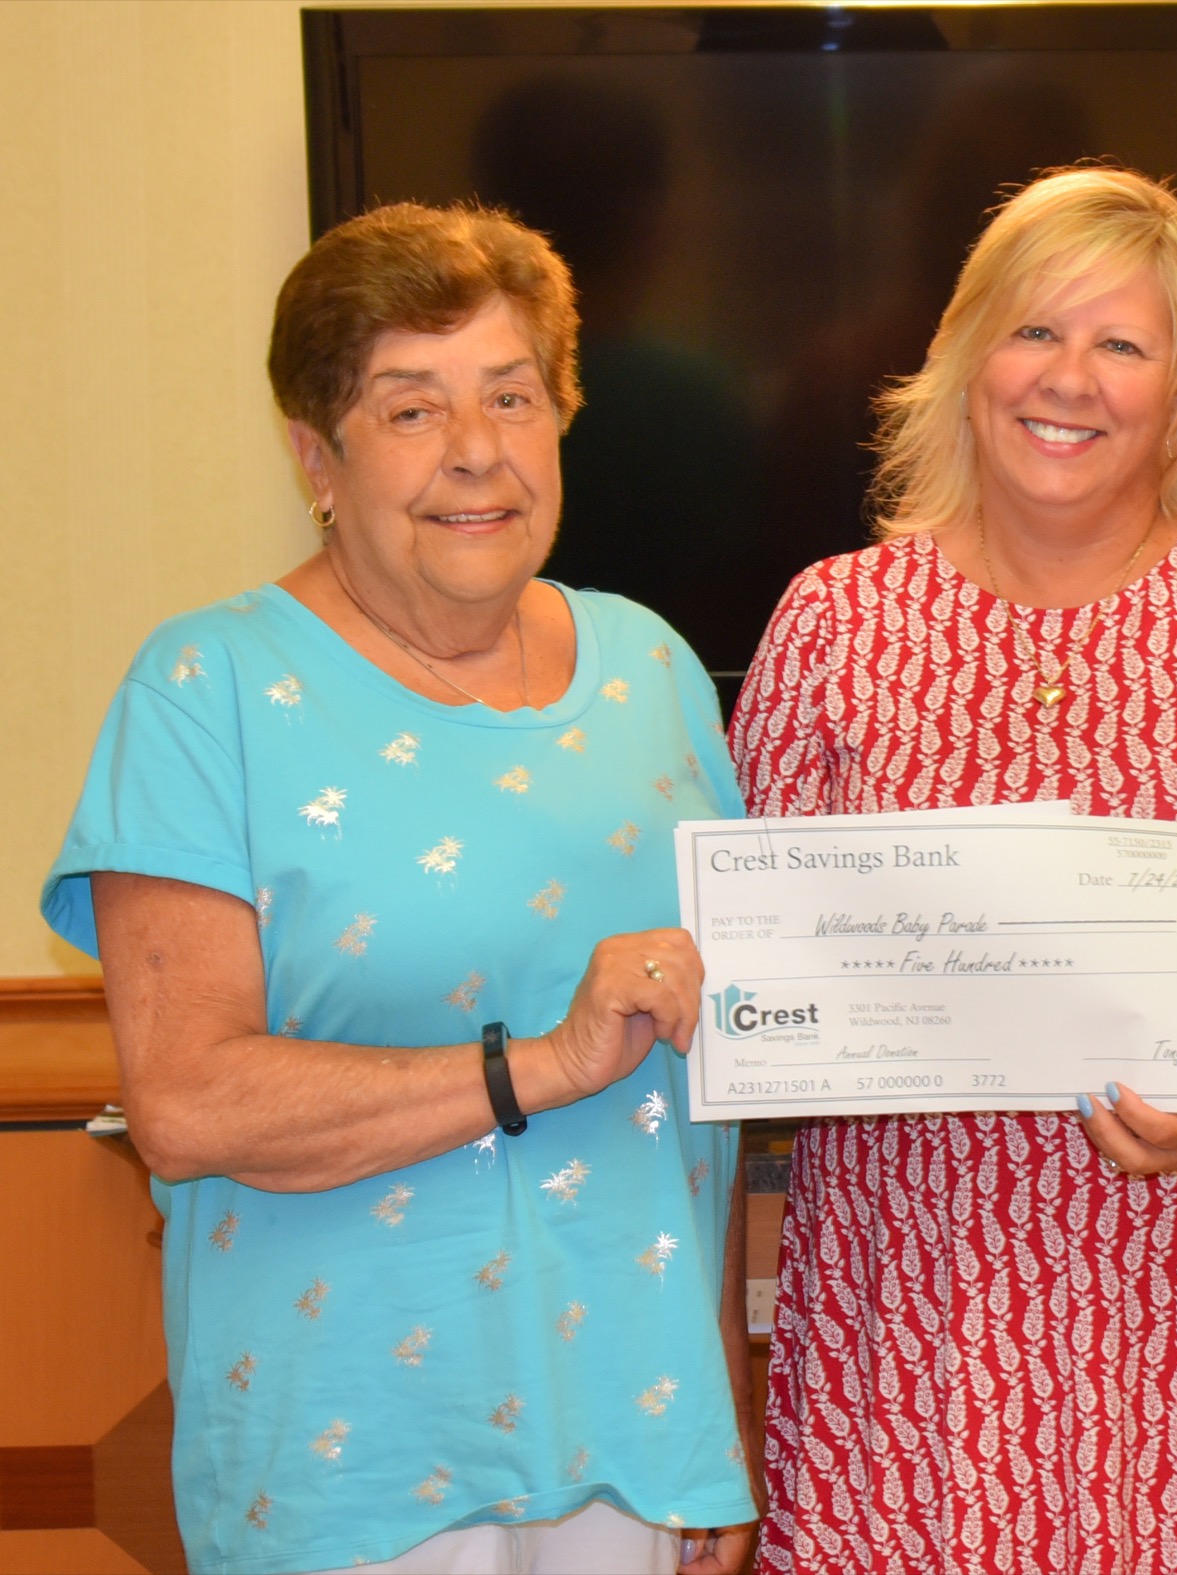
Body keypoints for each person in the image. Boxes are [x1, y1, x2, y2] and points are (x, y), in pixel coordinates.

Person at [731, 166, 1177, 1575]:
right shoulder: (834, 625)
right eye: (1034, 332)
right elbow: (761, 970)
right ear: (962, 352)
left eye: (1123, 344)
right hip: (925, 1327)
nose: (1072, 379)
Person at [42, 203, 757, 1575]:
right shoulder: (208, 691)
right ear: (316, 455)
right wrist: (538, 1064)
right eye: (412, 409)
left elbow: (700, 1109)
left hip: (631, 1443)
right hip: (345, 1463)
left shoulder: (656, 671)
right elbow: (186, 1104)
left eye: (512, 396)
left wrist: (713, 1412)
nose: (478, 451)